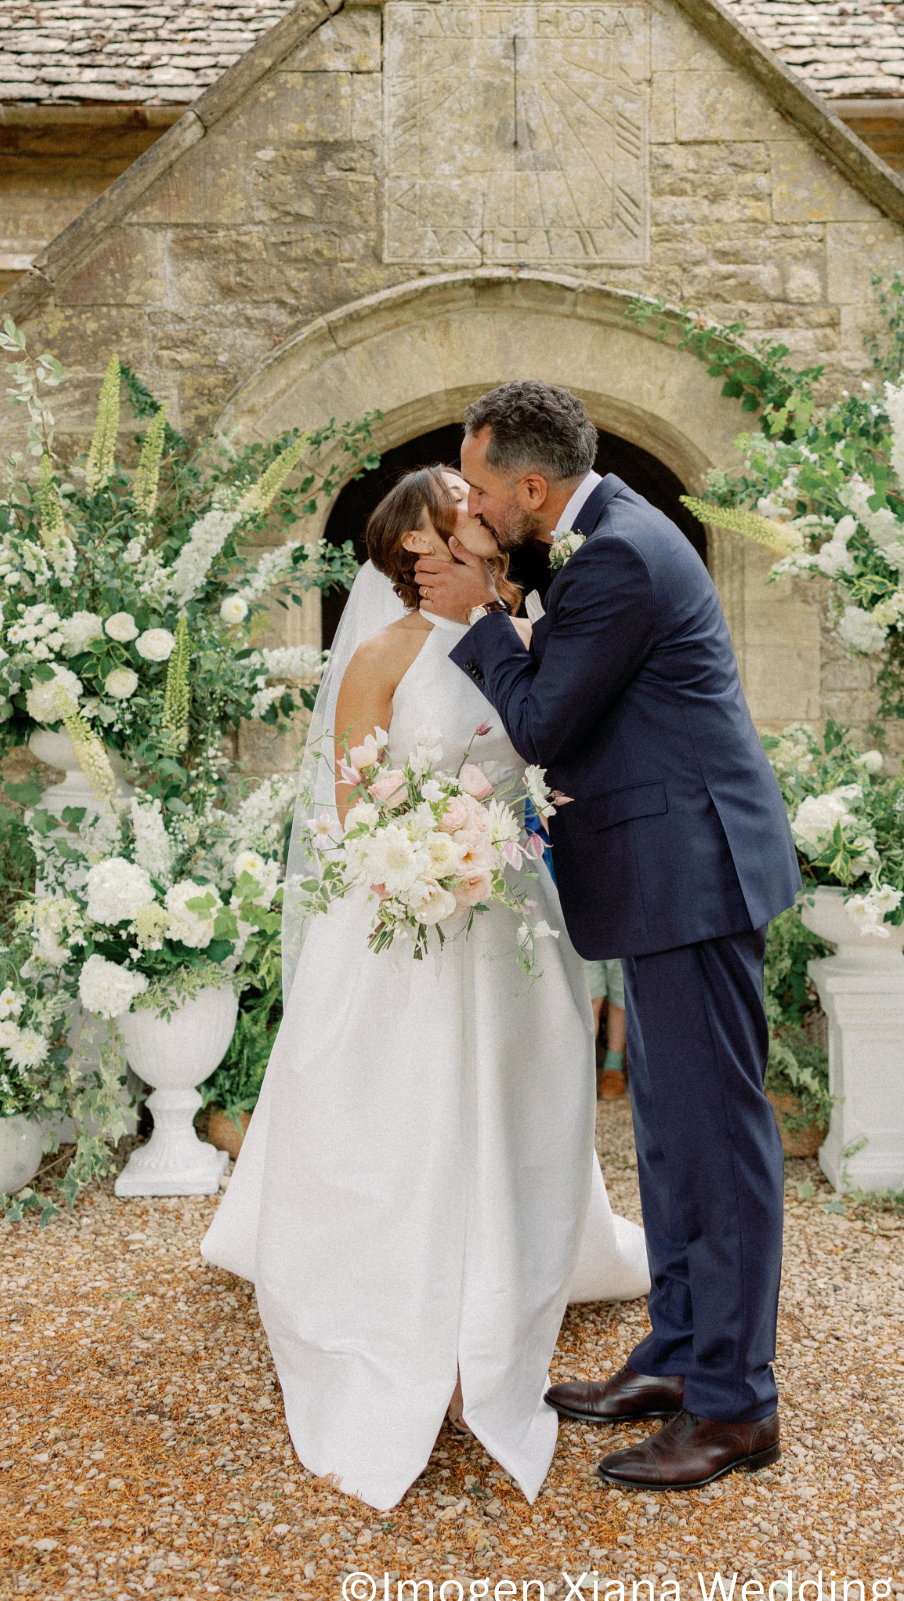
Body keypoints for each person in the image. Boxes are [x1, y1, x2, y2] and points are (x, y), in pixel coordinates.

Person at [200, 465, 648, 1514]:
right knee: (403, 1115)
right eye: (453, 527)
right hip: (407, 918)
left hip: (513, 916)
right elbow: (353, 812)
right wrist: (428, 860)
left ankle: (505, 1292)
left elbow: (559, 767)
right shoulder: (381, 658)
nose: (480, 527)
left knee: (518, 1104)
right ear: (417, 554)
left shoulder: (533, 639)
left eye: (478, 524)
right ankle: (405, 1318)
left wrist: (505, 843)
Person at [412, 383, 801, 1494]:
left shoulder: (622, 554)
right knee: (673, 1137)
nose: (475, 509)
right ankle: (680, 1355)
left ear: (534, 487)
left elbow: (542, 720)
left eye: (484, 489)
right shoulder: (601, 532)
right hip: (664, 868)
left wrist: (479, 612)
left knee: (716, 1143)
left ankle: (736, 1407)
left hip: (695, 873)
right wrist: (507, 586)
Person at [587, 958, 628, 1098]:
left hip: (622, 940)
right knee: (588, 999)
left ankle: (613, 1067)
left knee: (620, 999)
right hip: (584, 940)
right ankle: (583, 1071)